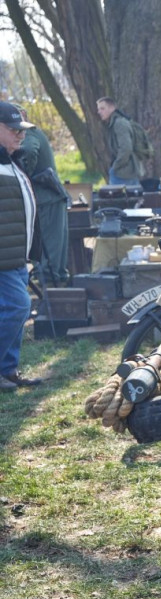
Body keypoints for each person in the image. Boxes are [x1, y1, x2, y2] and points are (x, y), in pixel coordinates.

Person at [0, 101, 43, 391]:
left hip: (16, 258)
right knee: (19, 306)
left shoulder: (10, 162)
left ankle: (8, 371)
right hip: (3, 259)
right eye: (13, 129)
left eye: (22, 130)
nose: (20, 135)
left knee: (18, 311)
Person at [16, 106, 69, 286]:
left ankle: (53, 292)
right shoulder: (32, 132)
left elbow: (30, 151)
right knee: (54, 251)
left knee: (51, 252)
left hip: (47, 199)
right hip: (49, 198)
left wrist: (24, 174)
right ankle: (56, 289)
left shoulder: (29, 133)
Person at [95, 96, 144, 187]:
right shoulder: (113, 123)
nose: (99, 112)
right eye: (98, 109)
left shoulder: (119, 123)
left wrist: (115, 167)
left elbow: (126, 148)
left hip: (124, 173)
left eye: (102, 108)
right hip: (124, 171)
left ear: (112, 108)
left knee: (118, 200)